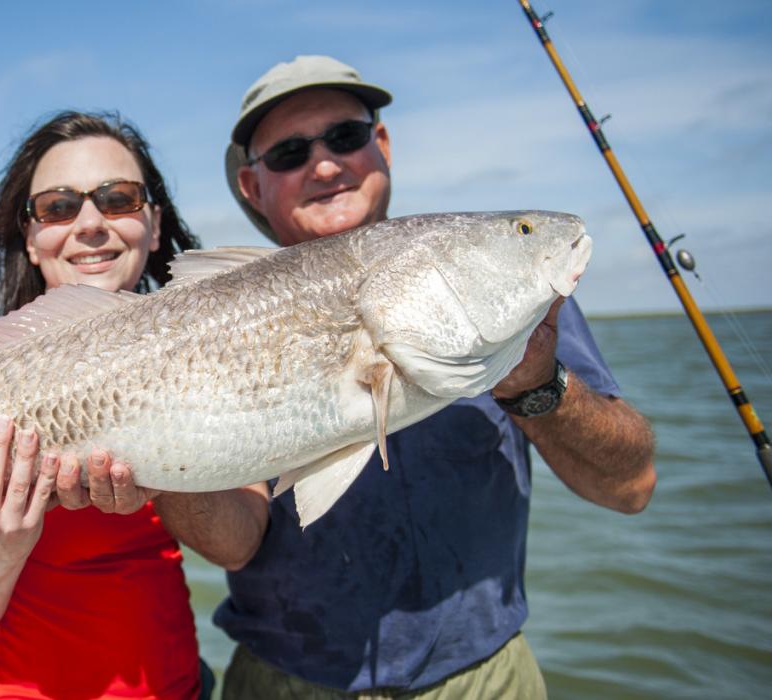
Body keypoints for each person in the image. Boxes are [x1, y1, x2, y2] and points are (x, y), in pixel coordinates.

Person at [137, 55, 657, 698]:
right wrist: (153, 458)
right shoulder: (213, 324)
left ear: (380, 144)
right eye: (291, 153)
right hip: (283, 680)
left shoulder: (527, 309)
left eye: (346, 136)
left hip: (484, 680)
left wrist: (539, 386)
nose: (324, 166)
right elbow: (234, 545)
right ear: (252, 184)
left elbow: (631, 489)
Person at [0, 111, 211, 700]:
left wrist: (171, 473)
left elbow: (243, 546)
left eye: (119, 199)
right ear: (31, 238)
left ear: (154, 225)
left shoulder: (213, 345)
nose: (91, 224)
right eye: (58, 207)